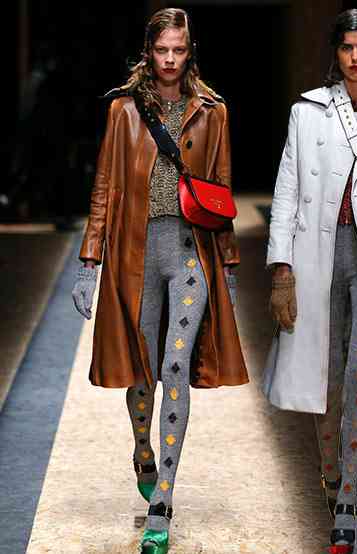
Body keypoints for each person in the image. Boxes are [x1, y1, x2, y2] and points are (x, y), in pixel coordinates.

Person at [71, 8, 247, 554]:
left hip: (190, 253)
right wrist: (89, 262)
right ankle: (144, 452)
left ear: (190, 51)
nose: (171, 59)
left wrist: (229, 267)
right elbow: (104, 185)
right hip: (135, 253)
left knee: (175, 367)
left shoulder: (213, 111)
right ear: (148, 51)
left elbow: (222, 191)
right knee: (143, 369)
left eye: (179, 49)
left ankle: (162, 502)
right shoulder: (123, 110)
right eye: (162, 49)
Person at [262, 8, 357, 553]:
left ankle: (349, 497)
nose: (356, 57)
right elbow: (286, 190)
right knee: (324, 379)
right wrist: (281, 269)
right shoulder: (306, 113)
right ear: (336, 51)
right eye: (348, 47)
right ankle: (332, 475)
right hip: (316, 260)